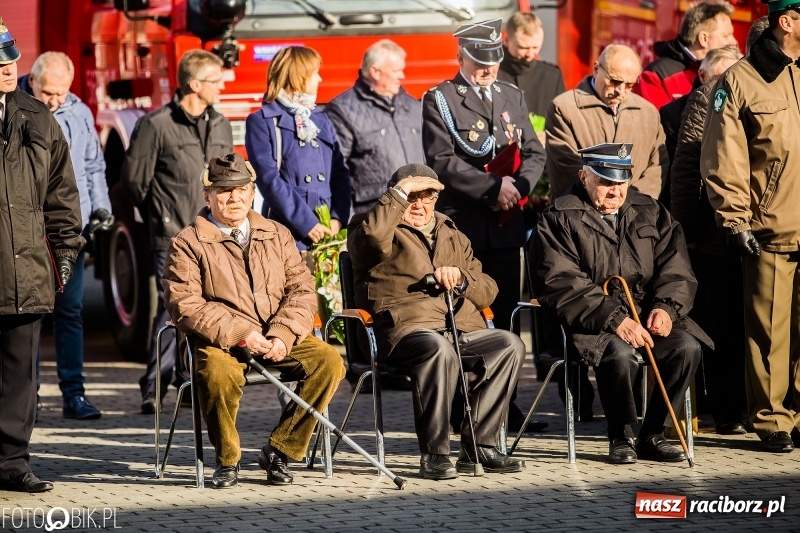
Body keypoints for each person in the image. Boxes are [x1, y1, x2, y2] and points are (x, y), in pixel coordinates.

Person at [162, 153, 345, 489]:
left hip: (277, 333)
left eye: (241, 190)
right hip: (222, 339)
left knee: (329, 361)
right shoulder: (187, 242)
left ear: (252, 193)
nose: (233, 198)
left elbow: (302, 290)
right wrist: (241, 333)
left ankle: (280, 450)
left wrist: (283, 334)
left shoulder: (275, 233)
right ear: (208, 196)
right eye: (224, 191)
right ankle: (228, 460)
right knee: (216, 374)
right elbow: (185, 304)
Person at [532, 143, 708, 465]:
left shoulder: (650, 210)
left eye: (621, 181)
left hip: (644, 312)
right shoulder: (558, 217)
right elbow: (559, 282)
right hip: (588, 320)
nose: (615, 190)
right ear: (584, 175)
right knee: (619, 353)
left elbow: (676, 267)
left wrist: (666, 309)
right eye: (605, 181)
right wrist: (614, 320)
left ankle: (652, 433)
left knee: (686, 348)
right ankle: (621, 435)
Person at [348, 163, 526, 480]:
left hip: (457, 328)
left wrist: (462, 279)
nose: (419, 204)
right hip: (401, 329)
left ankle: (481, 445)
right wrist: (399, 194)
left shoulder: (452, 233)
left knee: (508, 344)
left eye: (427, 195)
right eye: (411, 196)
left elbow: (488, 290)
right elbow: (373, 239)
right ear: (396, 195)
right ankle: (435, 453)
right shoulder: (373, 226)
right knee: (438, 349)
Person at [701, 0, 800, 453]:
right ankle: (773, 419)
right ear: (788, 21)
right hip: (771, 228)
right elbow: (724, 157)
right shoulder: (739, 80)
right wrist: (735, 218)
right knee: (769, 334)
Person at [122, 50, 233, 415]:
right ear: (194, 84)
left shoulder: (219, 124)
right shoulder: (155, 125)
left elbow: (228, 179)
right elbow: (134, 183)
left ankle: (189, 382)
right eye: (216, 80)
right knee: (171, 310)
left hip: (213, 235)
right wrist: (162, 218)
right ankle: (154, 387)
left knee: (207, 307)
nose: (223, 86)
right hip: (171, 236)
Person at [0, 19, 84, 492]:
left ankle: (12, 462)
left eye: (11, 59)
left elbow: (61, 195)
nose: (9, 68)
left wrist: (65, 251)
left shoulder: (38, 118)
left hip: (26, 269)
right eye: (1, 62)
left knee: (20, 377)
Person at [422, 18, 546, 333]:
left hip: (506, 223)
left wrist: (515, 189)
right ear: (461, 58)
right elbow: (441, 160)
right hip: (466, 225)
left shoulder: (511, 94)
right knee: (465, 315)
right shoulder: (441, 98)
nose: (488, 70)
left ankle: (508, 382)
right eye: (480, 62)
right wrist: (493, 188)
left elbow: (534, 152)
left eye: (494, 62)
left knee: (505, 314)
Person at [20, 51, 114, 420]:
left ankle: (74, 394)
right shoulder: (15, 108)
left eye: (61, 93)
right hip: (28, 231)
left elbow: (93, 164)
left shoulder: (79, 112)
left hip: (69, 230)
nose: (55, 100)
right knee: (29, 317)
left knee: (70, 312)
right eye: (48, 93)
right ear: (33, 81)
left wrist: (101, 207)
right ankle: (28, 398)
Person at [669, 45, 744, 435]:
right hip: (713, 234)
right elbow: (686, 170)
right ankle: (726, 409)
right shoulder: (708, 98)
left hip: (755, 230)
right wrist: (689, 232)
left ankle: (743, 404)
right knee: (718, 321)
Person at [245, 46, 350, 251]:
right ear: (298, 77)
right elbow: (268, 179)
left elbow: (340, 172)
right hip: (289, 231)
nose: (320, 79)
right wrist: (307, 223)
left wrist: (338, 218)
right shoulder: (262, 121)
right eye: (314, 74)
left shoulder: (320, 118)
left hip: (330, 231)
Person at [546, 44, 668, 200]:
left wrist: (633, 206)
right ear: (596, 69)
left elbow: (657, 167)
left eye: (630, 85)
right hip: (581, 216)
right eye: (615, 81)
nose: (621, 92)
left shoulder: (648, 113)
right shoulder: (564, 108)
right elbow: (566, 169)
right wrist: (611, 203)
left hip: (636, 217)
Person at [326, 40, 423, 215]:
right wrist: (343, 220)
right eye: (395, 71)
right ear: (375, 72)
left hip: (419, 211)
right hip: (376, 214)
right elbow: (336, 171)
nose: (402, 76)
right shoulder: (342, 110)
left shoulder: (414, 107)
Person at [635, 1, 737, 109]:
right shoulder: (656, 75)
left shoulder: (733, 70)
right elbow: (655, 122)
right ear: (704, 38)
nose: (734, 41)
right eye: (726, 35)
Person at [497, 11, 565, 146]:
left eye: (535, 47)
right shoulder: (491, 74)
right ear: (506, 41)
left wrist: (549, 136)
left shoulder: (552, 76)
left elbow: (563, 121)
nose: (530, 54)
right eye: (523, 47)